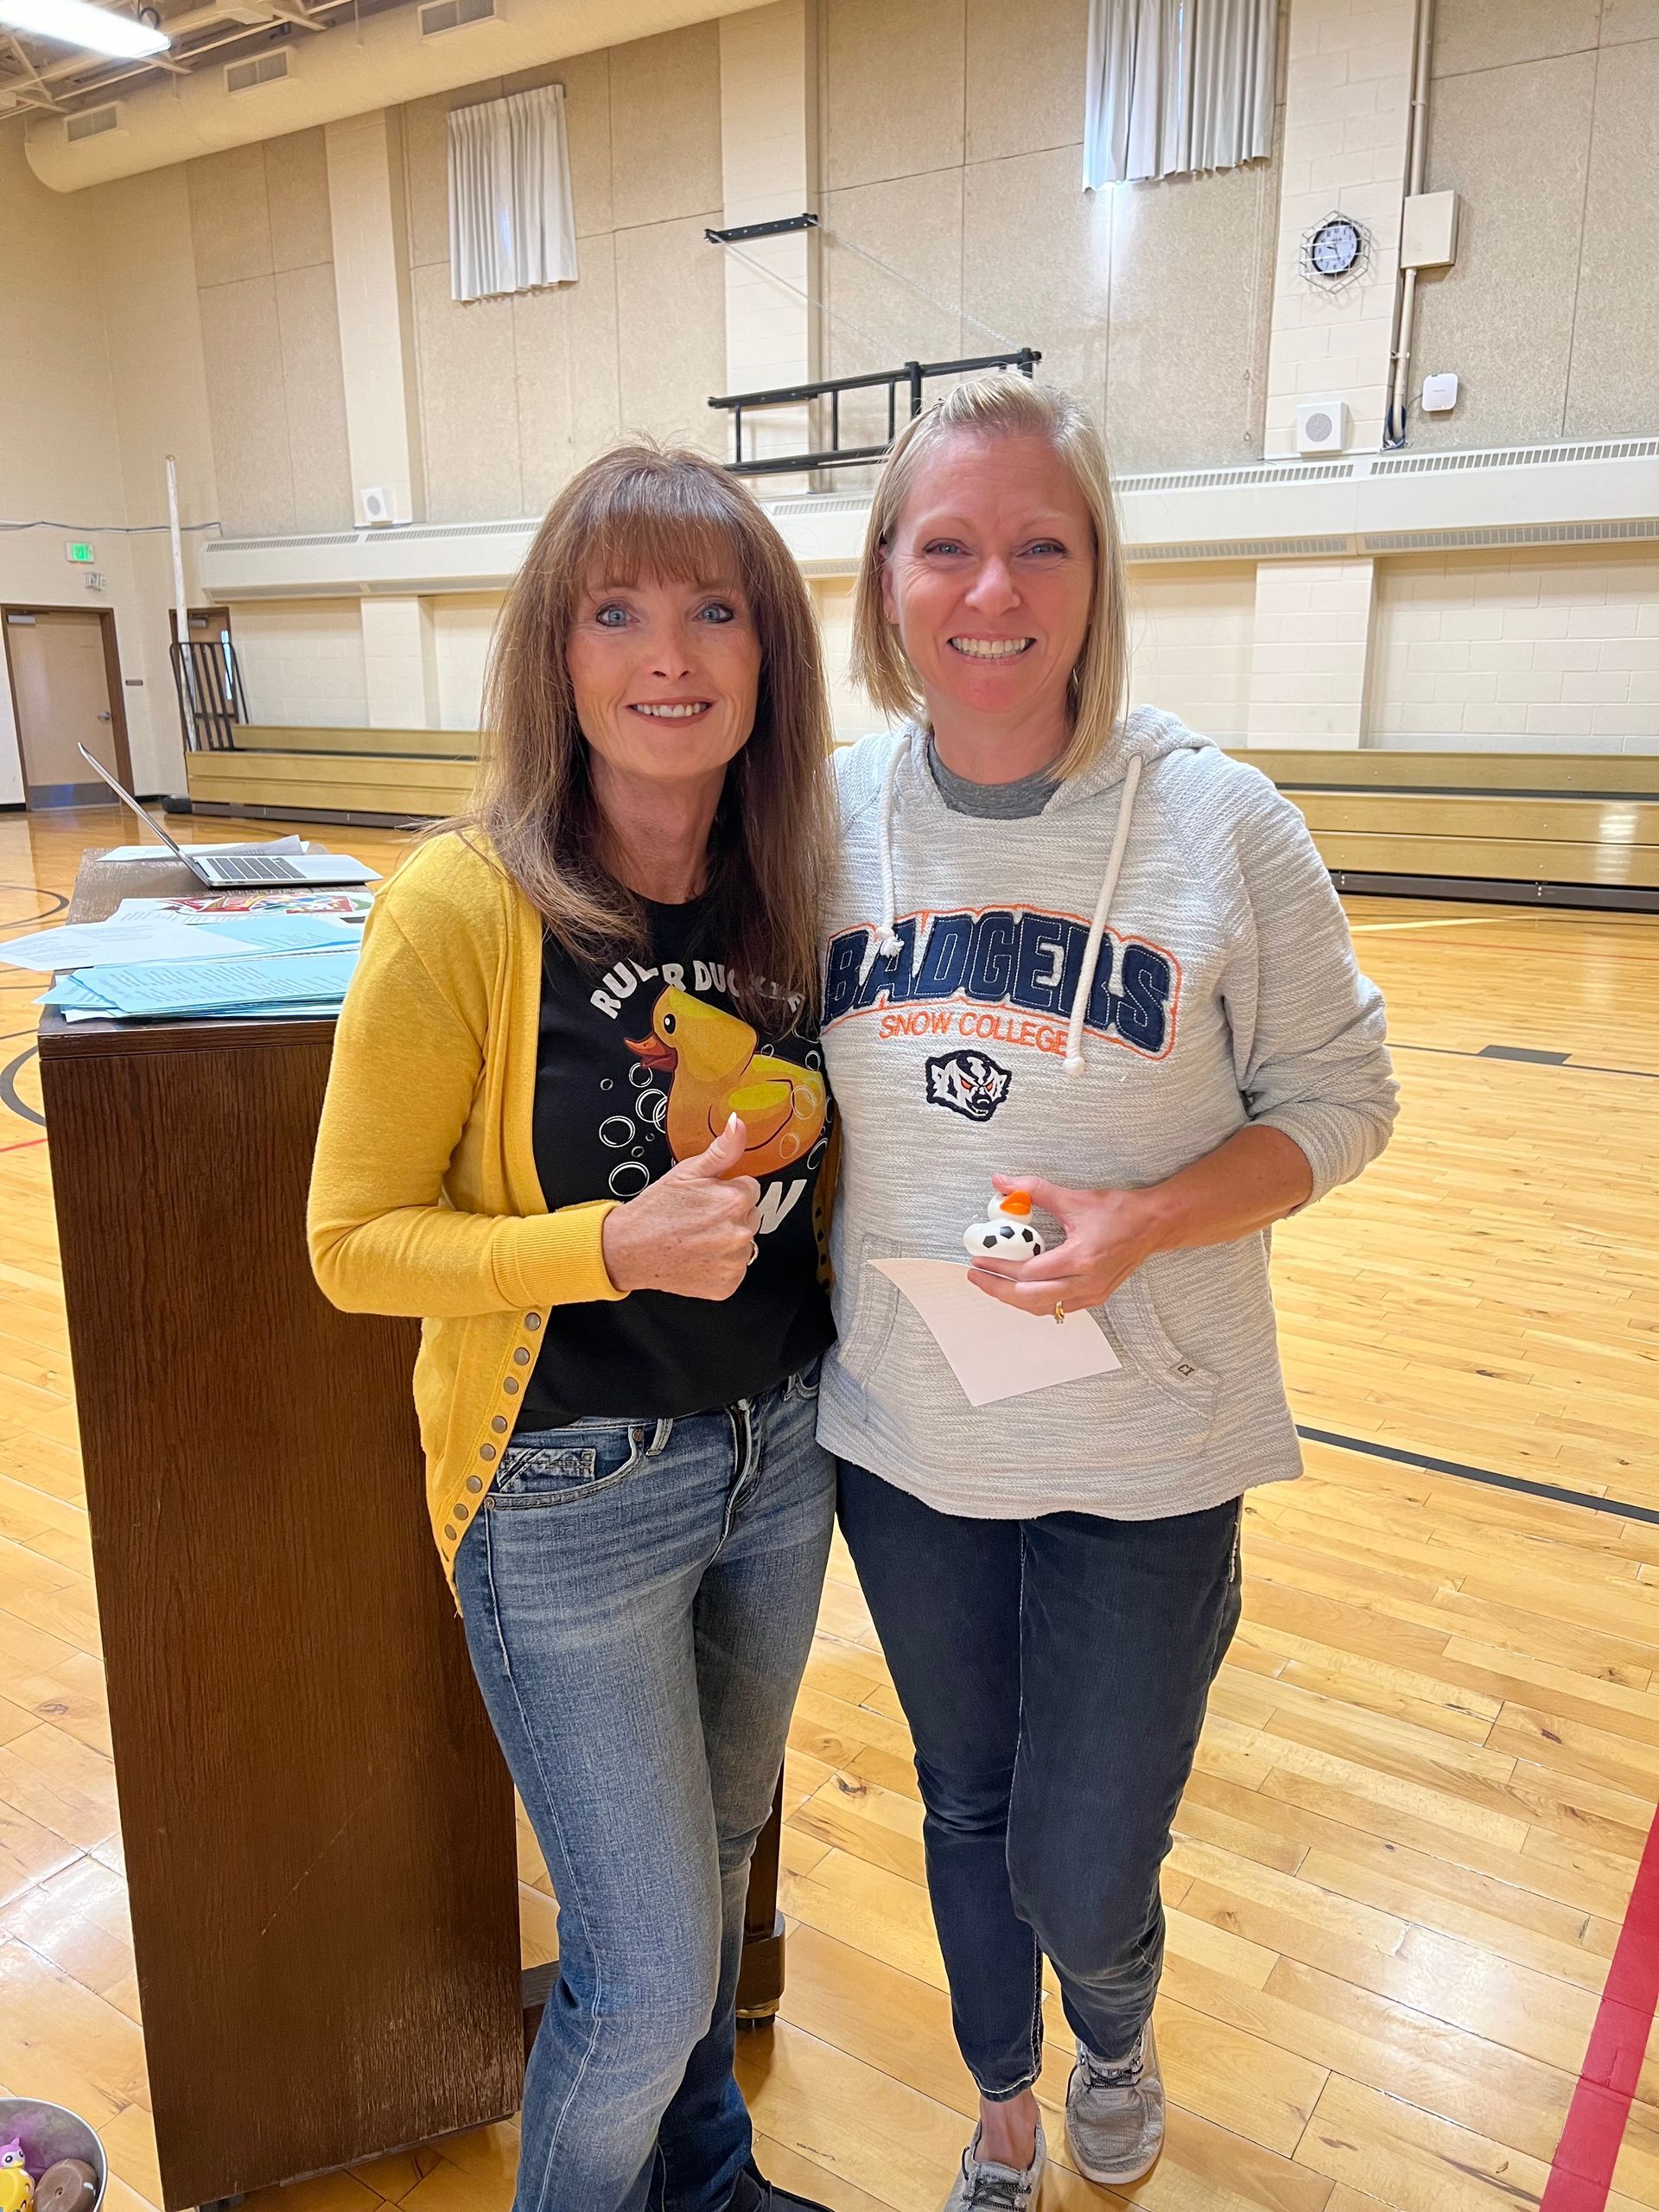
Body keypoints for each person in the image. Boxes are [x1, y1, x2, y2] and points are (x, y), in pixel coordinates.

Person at [818, 375, 1397, 2211]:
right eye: (949, 544)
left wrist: (1144, 1216)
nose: (995, 587)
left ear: (1096, 574)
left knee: (1080, 1851)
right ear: (890, 581)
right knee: (963, 1796)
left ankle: (1117, 2025)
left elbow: (1345, 1099)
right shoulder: (816, 820)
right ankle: (1004, 2091)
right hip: (911, 1437)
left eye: (1040, 543)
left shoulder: (1221, 823)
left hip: (1152, 1437)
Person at [308, 446, 840, 2212]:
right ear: (556, 653)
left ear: (767, 658)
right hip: (565, 1495)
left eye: (713, 608)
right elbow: (350, 1243)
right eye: (614, 608)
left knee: (719, 1870)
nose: (665, 651)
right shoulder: (461, 901)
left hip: (780, 1464)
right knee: (641, 1975)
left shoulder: (790, 891)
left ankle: (708, 2181)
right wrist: (608, 1241)